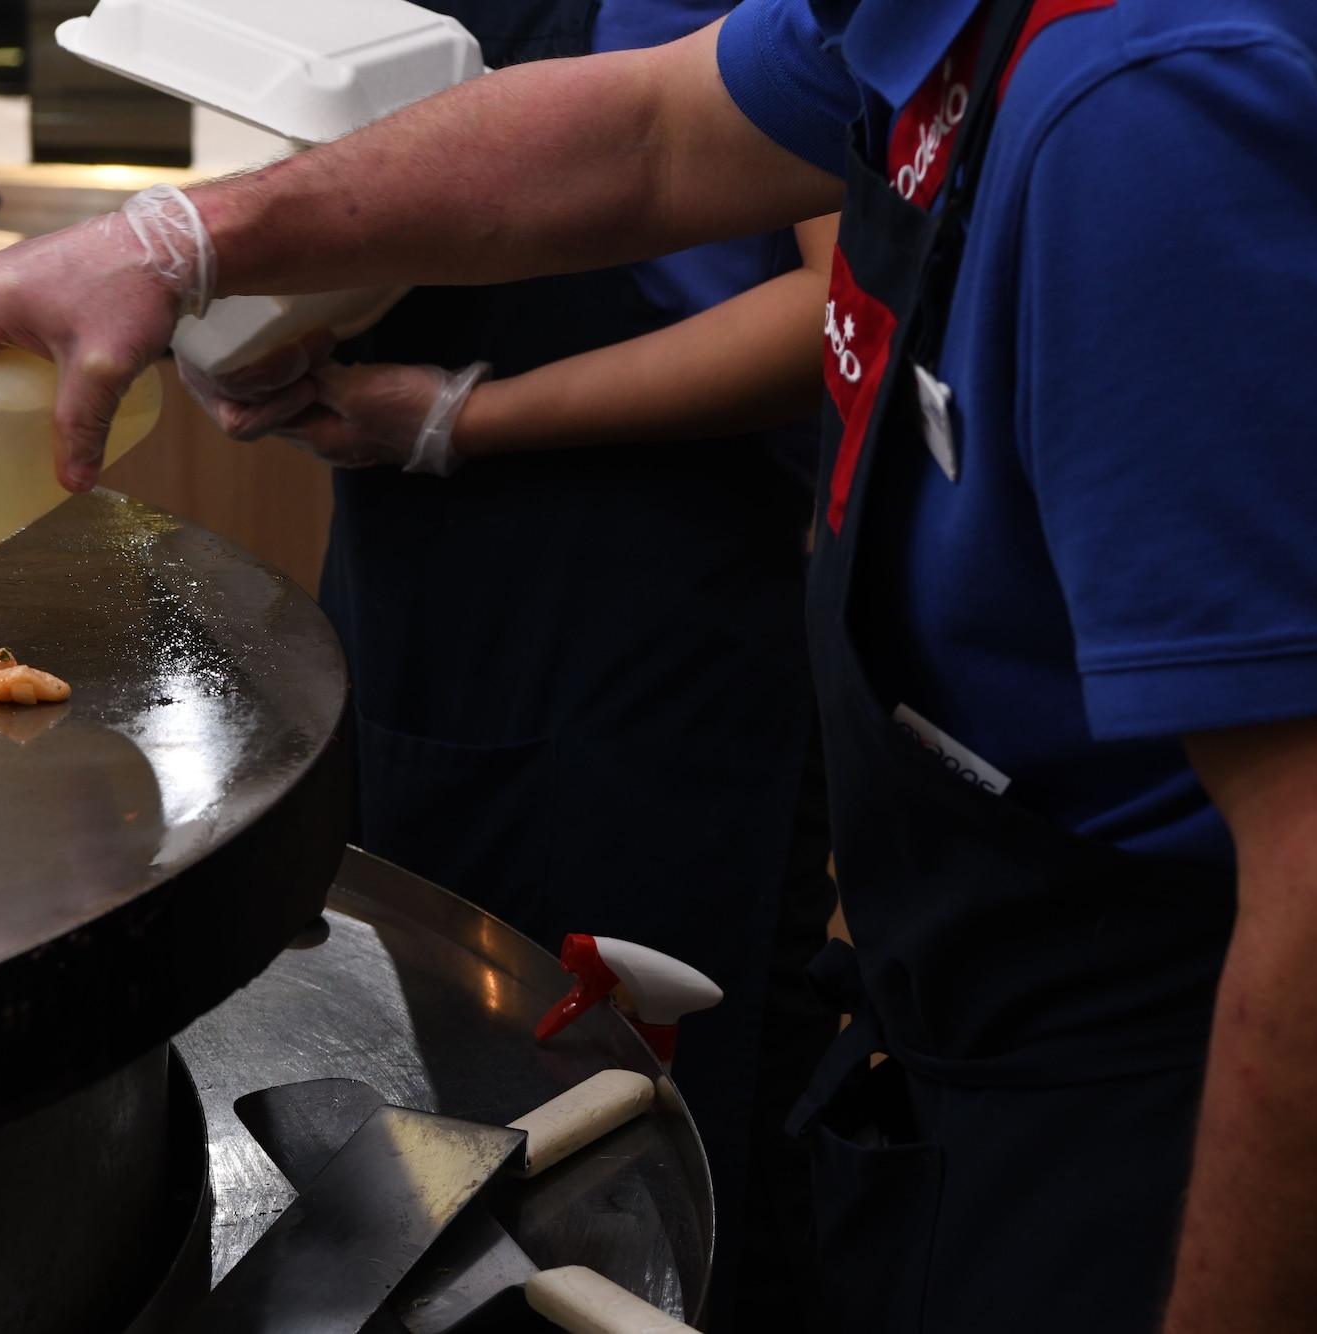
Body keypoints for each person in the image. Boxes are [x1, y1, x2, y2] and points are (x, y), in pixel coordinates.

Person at [0, 0, 1317, 1326]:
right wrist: (180, 241)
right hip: (1030, 996)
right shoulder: (973, 17)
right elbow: (654, 124)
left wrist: (457, 416)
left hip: (1194, 1092)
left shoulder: (1177, 115)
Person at [177, 1, 842, 1314]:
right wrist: (245, 318)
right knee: (417, 1079)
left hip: (661, 612)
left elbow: (831, 305)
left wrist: (467, 416)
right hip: (410, 585)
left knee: (658, 1146)